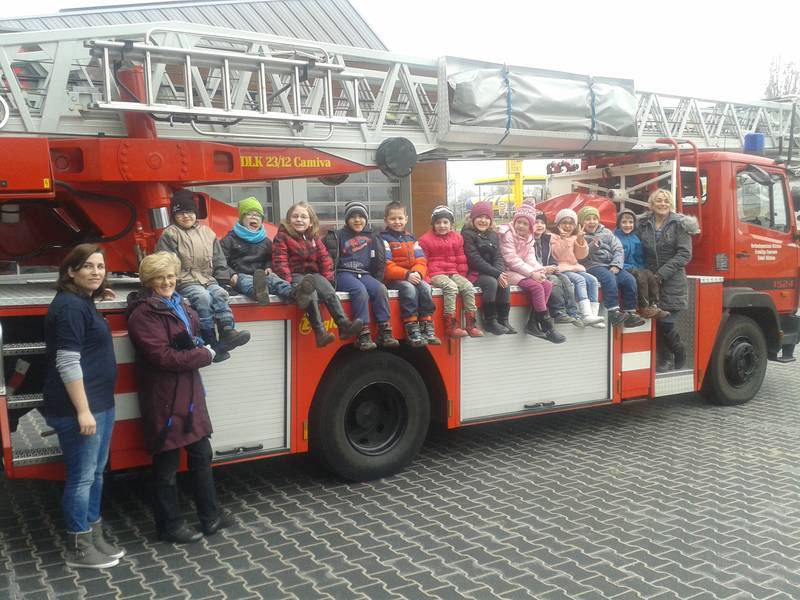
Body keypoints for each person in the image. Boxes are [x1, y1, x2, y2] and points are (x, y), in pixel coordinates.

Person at [127, 252, 231, 544]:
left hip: (188, 389)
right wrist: (205, 354)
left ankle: (210, 516)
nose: (167, 282)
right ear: (148, 281)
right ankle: (169, 525)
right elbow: (162, 356)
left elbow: (186, 337)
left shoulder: (179, 303)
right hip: (165, 396)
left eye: (171, 276)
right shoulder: (143, 314)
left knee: (201, 455)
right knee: (167, 463)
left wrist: (197, 343)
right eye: (160, 277)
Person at [42, 243, 124, 569]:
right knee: (82, 478)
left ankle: (94, 535)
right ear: (70, 271)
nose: (96, 272)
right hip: (80, 408)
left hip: (99, 403)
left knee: (95, 474)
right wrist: (83, 411)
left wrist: (97, 296)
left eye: (100, 266)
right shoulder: (71, 308)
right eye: (88, 266)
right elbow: (67, 361)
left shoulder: (82, 302)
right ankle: (79, 547)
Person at [155, 189, 250, 362]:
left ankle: (228, 332)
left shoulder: (208, 233)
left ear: (195, 213)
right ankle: (209, 340)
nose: (186, 216)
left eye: (189, 212)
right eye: (180, 213)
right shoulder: (170, 234)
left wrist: (223, 281)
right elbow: (165, 262)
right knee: (203, 297)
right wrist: (170, 282)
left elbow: (219, 259)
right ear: (174, 216)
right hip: (185, 281)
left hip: (207, 278)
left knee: (220, 294)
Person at [272, 201, 363, 347]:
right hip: (295, 274)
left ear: (310, 222)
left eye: (303, 217)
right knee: (310, 293)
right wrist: (287, 283)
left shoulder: (313, 238)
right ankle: (320, 332)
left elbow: (325, 259)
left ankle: (344, 325)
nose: (299, 220)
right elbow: (280, 261)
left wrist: (327, 279)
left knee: (328, 290)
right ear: (288, 220)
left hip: (313, 274)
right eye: (295, 216)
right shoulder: (282, 237)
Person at [636, 188, 699, 370]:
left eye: (665, 201)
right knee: (655, 322)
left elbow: (684, 254)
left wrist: (661, 274)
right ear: (652, 204)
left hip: (672, 281)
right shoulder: (643, 223)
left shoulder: (680, 224)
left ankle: (678, 351)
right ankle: (664, 359)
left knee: (666, 324)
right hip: (650, 281)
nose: (662, 204)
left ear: (670, 204)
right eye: (659, 200)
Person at [324, 201, 399, 351]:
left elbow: (379, 260)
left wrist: (377, 277)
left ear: (366, 219)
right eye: (353, 217)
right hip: (344, 273)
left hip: (364, 273)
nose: (357, 220)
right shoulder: (337, 236)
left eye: (361, 216)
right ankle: (362, 333)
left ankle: (384, 329)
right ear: (347, 219)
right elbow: (328, 259)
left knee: (380, 289)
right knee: (359, 291)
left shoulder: (372, 236)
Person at [499, 203, 566, 343]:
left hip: (521, 270)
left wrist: (541, 271)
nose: (521, 226)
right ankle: (547, 327)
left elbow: (530, 258)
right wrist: (532, 274)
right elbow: (511, 260)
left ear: (530, 226)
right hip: (507, 271)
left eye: (525, 224)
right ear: (514, 221)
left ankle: (533, 323)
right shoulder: (508, 235)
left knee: (547, 284)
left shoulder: (529, 238)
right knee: (536, 287)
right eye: (519, 222)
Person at [418, 204, 484, 338]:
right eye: (438, 222)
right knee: (451, 287)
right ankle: (451, 326)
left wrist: (462, 276)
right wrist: (427, 279)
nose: (442, 225)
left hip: (453, 273)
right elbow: (423, 261)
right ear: (433, 224)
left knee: (468, 287)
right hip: (435, 274)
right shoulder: (425, 240)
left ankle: (471, 324)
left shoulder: (457, 238)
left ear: (451, 224)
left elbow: (461, 259)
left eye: (445, 222)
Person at [381, 201, 441, 346]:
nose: (397, 222)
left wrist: (418, 273)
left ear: (406, 219)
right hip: (394, 278)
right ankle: (412, 327)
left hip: (412, 275)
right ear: (386, 220)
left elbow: (421, 260)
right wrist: (407, 275)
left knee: (426, 287)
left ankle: (426, 325)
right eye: (393, 219)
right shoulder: (383, 239)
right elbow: (386, 266)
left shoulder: (412, 239)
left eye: (400, 218)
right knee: (409, 289)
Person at [577, 205, 646, 329]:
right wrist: (592, 245)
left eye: (594, 218)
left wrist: (616, 264)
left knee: (629, 279)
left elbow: (618, 248)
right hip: (593, 265)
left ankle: (630, 313)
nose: (592, 222)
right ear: (581, 222)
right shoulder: (580, 236)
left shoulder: (607, 232)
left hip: (610, 264)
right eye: (588, 219)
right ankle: (613, 311)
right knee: (609, 278)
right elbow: (581, 257)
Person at [220, 197, 295, 305]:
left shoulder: (266, 241)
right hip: (241, 274)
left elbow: (271, 258)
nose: (254, 217)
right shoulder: (229, 240)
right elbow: (221, 262)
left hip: (262, 275)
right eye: (249, 214)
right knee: (246, 282)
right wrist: (231, 274)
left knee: (275, 280)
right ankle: (258, 293)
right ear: (242, 219)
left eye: (258, 215)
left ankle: (295, 293)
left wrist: (269, 267)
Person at [461, 201, 513, 335]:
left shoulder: (493, 235)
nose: (483, 221)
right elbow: (474, 260)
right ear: (472, 218)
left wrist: (500, 273)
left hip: (492, 272)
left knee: (505, 282)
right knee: (491, 283)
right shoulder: (467, 234)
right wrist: (496, 274)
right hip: (475, 273)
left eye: (487, 218)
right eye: (479, 217)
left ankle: (503, 320)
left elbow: (498, 256)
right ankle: (489, 320)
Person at [549, 209, 605, 328]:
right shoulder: (553, 237)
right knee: (580, 280)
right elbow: (557, 255)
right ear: (558, 224)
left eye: (571, 223)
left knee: (593, 280)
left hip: (575, 267)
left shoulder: (575, 237)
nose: (567, 226)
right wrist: (563, 240)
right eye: (564, 223)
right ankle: (586, 314)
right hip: (561, 268)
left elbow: (581, 256)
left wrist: (580, 240)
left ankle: (593, 316)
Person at [614, 208, 669, 319]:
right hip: (621, 267)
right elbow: (614, 256)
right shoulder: (614, 237)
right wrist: (637, 270)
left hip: (634, 267)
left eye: (631, 222)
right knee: (641, 276)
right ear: (618, 223)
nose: (627, 225)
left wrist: (642, 268)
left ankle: (654, 305)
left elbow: (639, 257)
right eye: (624, 222)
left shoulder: (635, 238)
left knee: (649, 274)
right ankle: (643, 308)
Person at [532, 211, 583, 328]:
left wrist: (554, 266)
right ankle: (558, 312)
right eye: (536, 222)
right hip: (535, 272)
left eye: (542, 223)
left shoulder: (545, 239)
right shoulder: (529, 239)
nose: (539, 225)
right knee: (554, 280)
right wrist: (545, 269)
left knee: (564, 279)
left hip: (546, 269)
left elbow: (551, 257)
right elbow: (529, 260)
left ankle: (573, 312)